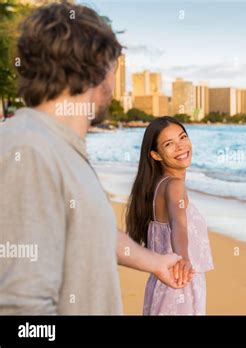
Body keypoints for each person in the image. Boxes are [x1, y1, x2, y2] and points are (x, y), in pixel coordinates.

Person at [0, 2, 193, 315]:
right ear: (97, 67)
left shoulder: (56, 146)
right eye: (114, 67)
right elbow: (21, 309)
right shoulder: (29, 150)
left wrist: (156, 262)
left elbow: (86, 226)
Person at [126, 117, 214, 315]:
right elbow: (178, 224)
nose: (181, 146)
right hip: (179, 283)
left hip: (163, 284)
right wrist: (182, 258)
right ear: (156, 155)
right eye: (169, 144)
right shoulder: (174, 185)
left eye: (183, 137)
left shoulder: (159, 185)